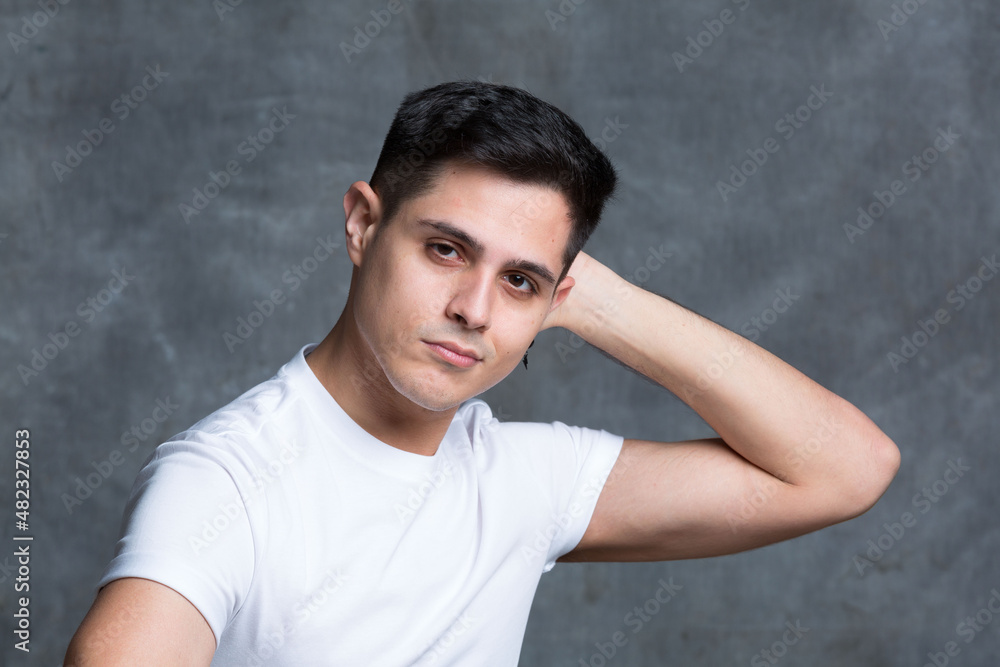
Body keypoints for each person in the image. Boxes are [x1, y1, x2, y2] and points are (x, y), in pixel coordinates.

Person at [65, 81, 900, 665]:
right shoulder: (225, 482)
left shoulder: (521, 481)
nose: (474, 307)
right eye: (445, 249)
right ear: (362, 225)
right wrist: (534, 277)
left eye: (519, 281)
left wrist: (594, 301)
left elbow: (843, 468)